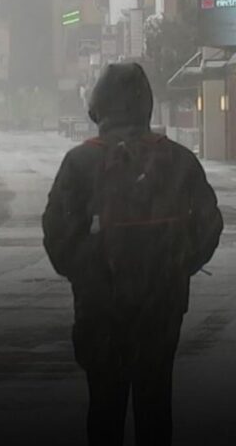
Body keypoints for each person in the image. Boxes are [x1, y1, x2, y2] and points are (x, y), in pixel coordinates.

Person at [42, 63, 223, 446]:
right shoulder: (177, 159)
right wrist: (177, 266)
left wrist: (87, 273)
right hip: (162, 306)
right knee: (155, 404)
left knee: (104, 407)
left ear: (99, 106)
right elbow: (209, 225)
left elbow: (57, 233)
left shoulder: (80, 162)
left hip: (99, 307)